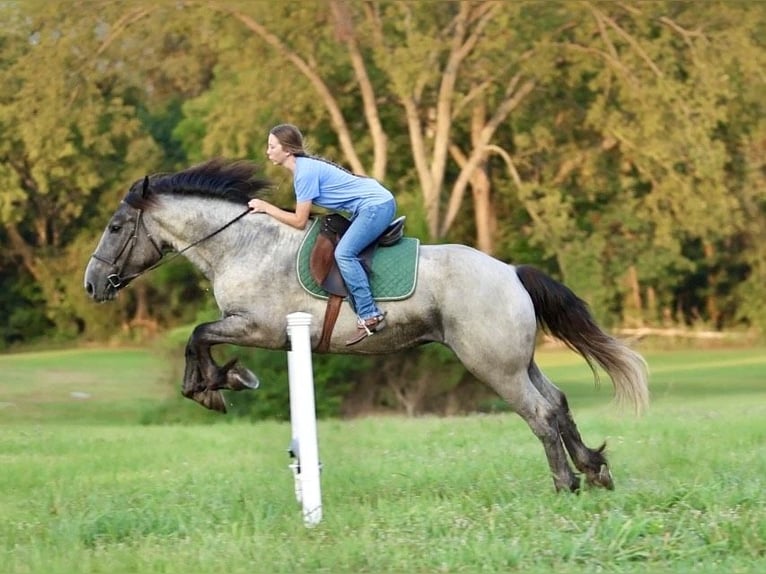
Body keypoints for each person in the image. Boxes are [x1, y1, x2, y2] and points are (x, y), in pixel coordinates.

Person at [248, 124, 397, 346]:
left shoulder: (304, 173)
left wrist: (266, 207)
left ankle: (369, 314)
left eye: (271, 146)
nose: (267, 151)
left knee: (344, 254)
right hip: (372, 205)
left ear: (287, 150)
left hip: (375, 207)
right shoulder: (304, 168)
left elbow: (299, 221)